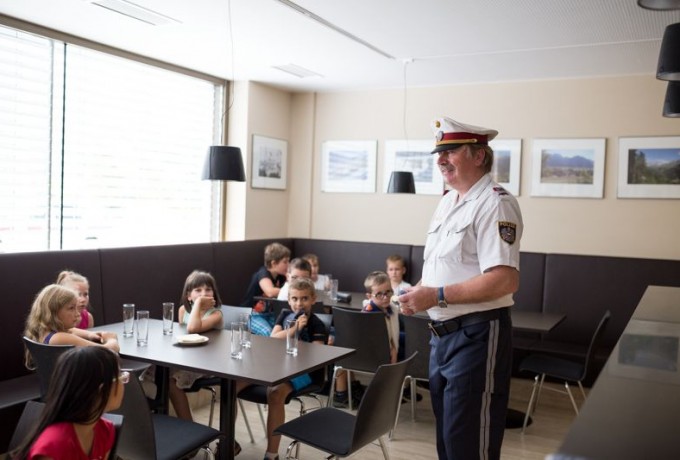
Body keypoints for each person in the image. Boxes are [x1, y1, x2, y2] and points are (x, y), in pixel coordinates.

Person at [398, 117, 523, 460]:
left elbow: (504, 280)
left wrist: (435, 296)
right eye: (439, 153)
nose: (441, 159)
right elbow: (442, 267)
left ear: (479, 156)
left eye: (451, 151)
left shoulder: (496, 203)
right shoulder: (448, 201)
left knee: (469, 445)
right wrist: (416, 292)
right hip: (441, 337)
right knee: (450, 441)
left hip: (477, 335)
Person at [237, 277, 328, 460]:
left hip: (305, 372)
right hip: (277, 366)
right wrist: (294, 329)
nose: (299, 303)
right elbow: (273, 339)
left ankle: (272, 454)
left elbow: (316, 358)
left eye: (304, 298)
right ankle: (228, 443)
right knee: (232, 385)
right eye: (294, 298)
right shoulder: (285, 314)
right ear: (288, 299)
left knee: (275, 392)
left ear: (313, 299)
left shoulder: (317, 324)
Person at [11, 346, 127, 460]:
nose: (124, 384)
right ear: (101, 389)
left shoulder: (105, 431)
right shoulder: (55, 446)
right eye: (122, 377)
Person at [165, 270, 224, 422]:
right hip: (188, 360)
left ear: (214, 294)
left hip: (209, 364)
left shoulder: (216, 314)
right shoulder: (183, 310)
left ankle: (188, 424)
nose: (203, 293)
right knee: (160, 373)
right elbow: (185, 336)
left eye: (208, 289)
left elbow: (192, 328)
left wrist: (197, 303)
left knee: (170, 381)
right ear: (188, 296)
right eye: (198, 290)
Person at [23, 284, 120, 369]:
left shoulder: (45, 331)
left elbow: (72, 330)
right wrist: (111, 339)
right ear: (53, 312)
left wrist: (90, 335)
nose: (77, 314)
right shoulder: (59, 338)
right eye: (71, 308)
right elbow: (106, 352)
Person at [241, 242, 290, 336]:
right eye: (285, 262)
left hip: (270, 314)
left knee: (283, 330)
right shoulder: (263, 273)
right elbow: (270, 292)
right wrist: (291, 292)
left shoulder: (281, 277)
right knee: (269, 333)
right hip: (252, 314)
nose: (288, 265)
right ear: (274, 263)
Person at [362, 271, 399, 364]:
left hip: (390, 352)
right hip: (374, 358)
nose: (385, 297)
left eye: (388, 292)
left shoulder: (392, 308)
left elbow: (392, 334)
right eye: (379, 294)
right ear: (369, 296)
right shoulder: (368, 315)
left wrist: (394, 349)